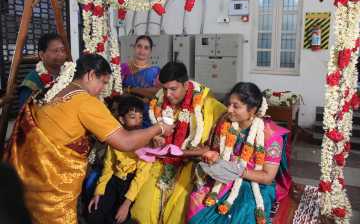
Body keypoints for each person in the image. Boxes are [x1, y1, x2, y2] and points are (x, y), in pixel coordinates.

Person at [4, 54, 173, 224]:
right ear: (91, 75)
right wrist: (159, 128)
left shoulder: (51, 88)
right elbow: (125, 142)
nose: (102, 89)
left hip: (25, 180)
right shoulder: (86, 102)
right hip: (52, 188)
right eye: (103, 82)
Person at [130, 61, 227, 224]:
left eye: (173, 89)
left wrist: (186, 152)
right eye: (165, 89)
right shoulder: (160, 102)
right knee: (143, 210)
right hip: (161, 162)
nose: (168, 94)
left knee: (176, 215)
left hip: (191, 165)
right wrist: (156, 139)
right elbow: (155, 131)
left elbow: (229, 120)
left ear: (186, 85)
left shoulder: (206, 104)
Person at [187, 82, 290, 224]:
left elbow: (267, 177)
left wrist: (236, 170)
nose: (229, 109)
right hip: (222, 177)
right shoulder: (224, 121)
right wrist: (213, 156)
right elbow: (216, 150)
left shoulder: (270, 136)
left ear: (252, 110)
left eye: (236, 106)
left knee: (242, 214)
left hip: (254, 183)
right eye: (229, 104)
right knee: (197, 206)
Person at [87, 95, 151, 224]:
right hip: (114, 180)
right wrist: (98, 192)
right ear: (122, 119)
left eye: (140, 117)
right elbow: (108, 166)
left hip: (131, 185)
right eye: (132, 117)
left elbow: (141, 176)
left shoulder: (145, 141)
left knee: (118, 218)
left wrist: (127, 204)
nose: (137, 122)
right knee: (94, 213)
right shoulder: (116, 139)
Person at [120, 35, 160, 127]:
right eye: (139, 46)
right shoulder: (123, 68)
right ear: (134, 47)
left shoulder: (155, 71)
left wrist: (130, 89)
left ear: (150, 51)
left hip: (148, 114)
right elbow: (117, 91)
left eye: (146, 48)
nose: (142, 51)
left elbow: (158, 94)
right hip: (127, 113)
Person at [19, 33, 67, 107]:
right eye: (55, 51)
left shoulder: (70, 74)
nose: (61, 54)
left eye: (62, 50)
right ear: (42, 55)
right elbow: (26, 112)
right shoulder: (32, 82)